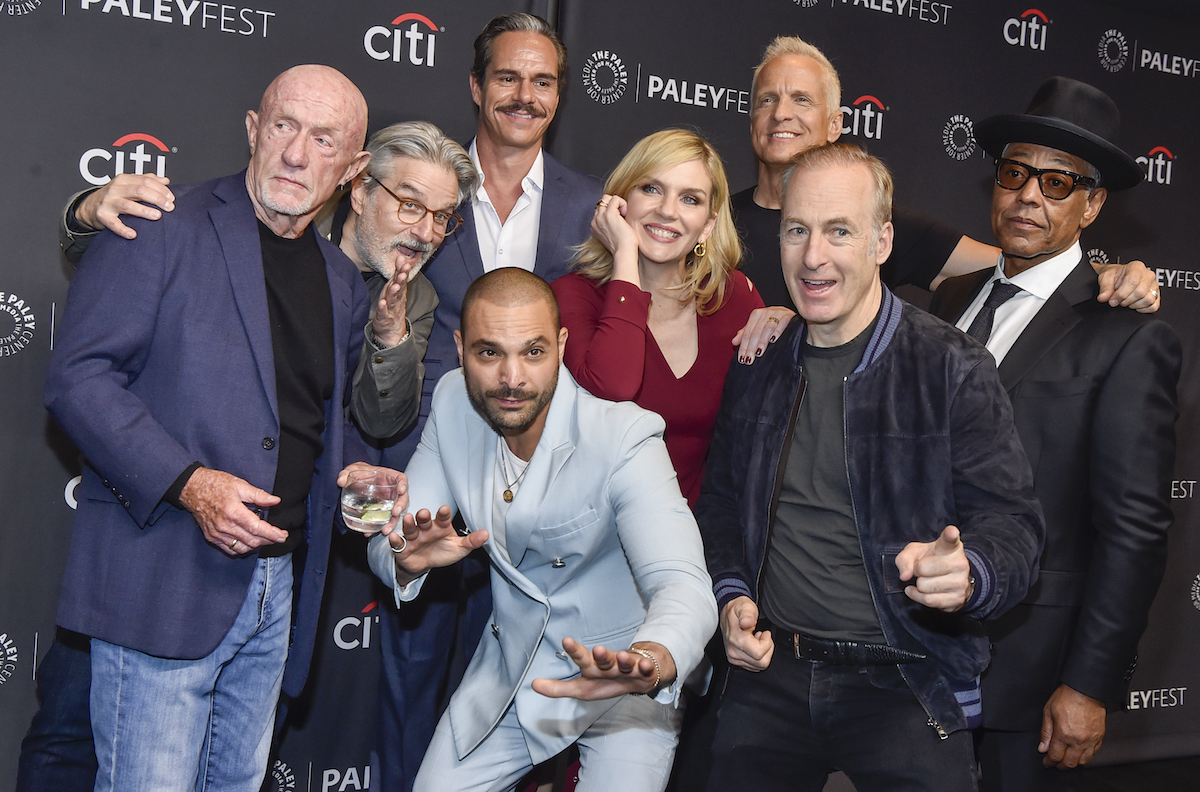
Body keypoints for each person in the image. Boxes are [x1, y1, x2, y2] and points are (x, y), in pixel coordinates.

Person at [17, 119, 477, 792]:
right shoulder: (266, 222)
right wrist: (83, 209)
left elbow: (376, 419)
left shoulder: (419, 301)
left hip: (268, 568)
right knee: (68, 730)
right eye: (411, 204)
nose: (425, 231)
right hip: (150, 555)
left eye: (442, 218)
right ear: (357, 184)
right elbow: (124, 267)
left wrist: (388, 335)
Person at [41, 65, 378, 791]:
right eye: (283, 126)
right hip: (164, 574)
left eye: (323, 139)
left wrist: (358, 486)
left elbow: (309, 423)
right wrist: (189, 485)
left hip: (276, 588)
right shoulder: (159, 224)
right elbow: (78, 377)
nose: (295, 153)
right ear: (254, 130)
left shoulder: (342, 281)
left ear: (352, 170)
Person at [696, 143, 1044, 791]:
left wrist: (972, 572)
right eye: (797, 230)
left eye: (839, 232)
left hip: (905, 677)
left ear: (883, 241)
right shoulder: (760, 363)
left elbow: (1015, 529)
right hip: (772, 671)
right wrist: (732, 596)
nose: (813, 256)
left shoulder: (953, 367)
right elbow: (720, 503)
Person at [351, 267, 716, 791]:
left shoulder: (622, 438)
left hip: (625, 682)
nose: (513, 378)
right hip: (513, 672)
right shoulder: (455, 401)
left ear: (562, 346)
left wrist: (651, 659)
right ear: (459, 349)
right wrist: (404, 558)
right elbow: (397, 542)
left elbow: (683, 583)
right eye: (489, 353)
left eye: (534, 352)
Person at [929, 77, 1180, 791]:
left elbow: (1134, 532)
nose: (1029, 196)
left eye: (1059, 182)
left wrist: (1088, 686)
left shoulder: (1127, 339)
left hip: (1032, 685)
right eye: (1016, 173)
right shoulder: (945, 302)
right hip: (913, 660)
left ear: (1093, 204)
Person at [734, 36, 1160, 313]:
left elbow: (1014, 265)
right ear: (751, 115)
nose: (781, 114)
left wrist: (1114, 275)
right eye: (767, 99)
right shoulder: (714, 221)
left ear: (835, 124)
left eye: (801, 100)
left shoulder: (884, 226)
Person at [553, 129, 790, 507]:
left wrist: (790, 329)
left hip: (694, 540)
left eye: (690, 199)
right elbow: (614, 386)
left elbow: (771, 429)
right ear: (618, 202)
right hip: (587, 535)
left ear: (708, 225)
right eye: (650, 188)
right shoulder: (573, 294)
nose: (667, 210)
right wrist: (625, 257)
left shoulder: (733, 297)